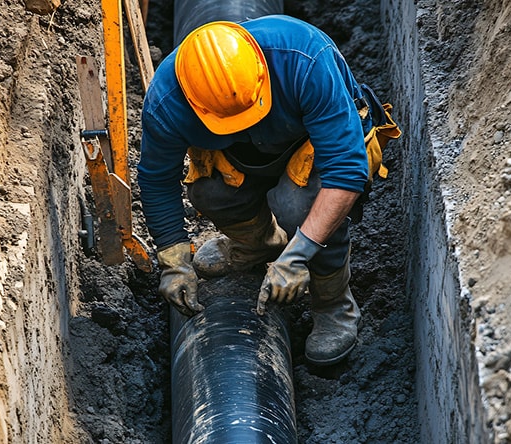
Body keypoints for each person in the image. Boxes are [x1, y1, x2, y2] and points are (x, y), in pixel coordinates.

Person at [138, 15, 400, 366]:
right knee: (208, 191)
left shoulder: (305, 60)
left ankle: (332, 303)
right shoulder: (167, 102)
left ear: (261, 72)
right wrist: (173, 262)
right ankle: (260, 244)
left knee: (296, 204)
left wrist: (298, 256)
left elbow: (345, 172)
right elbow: (157, 179)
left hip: (314, 147)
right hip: (241, 156)